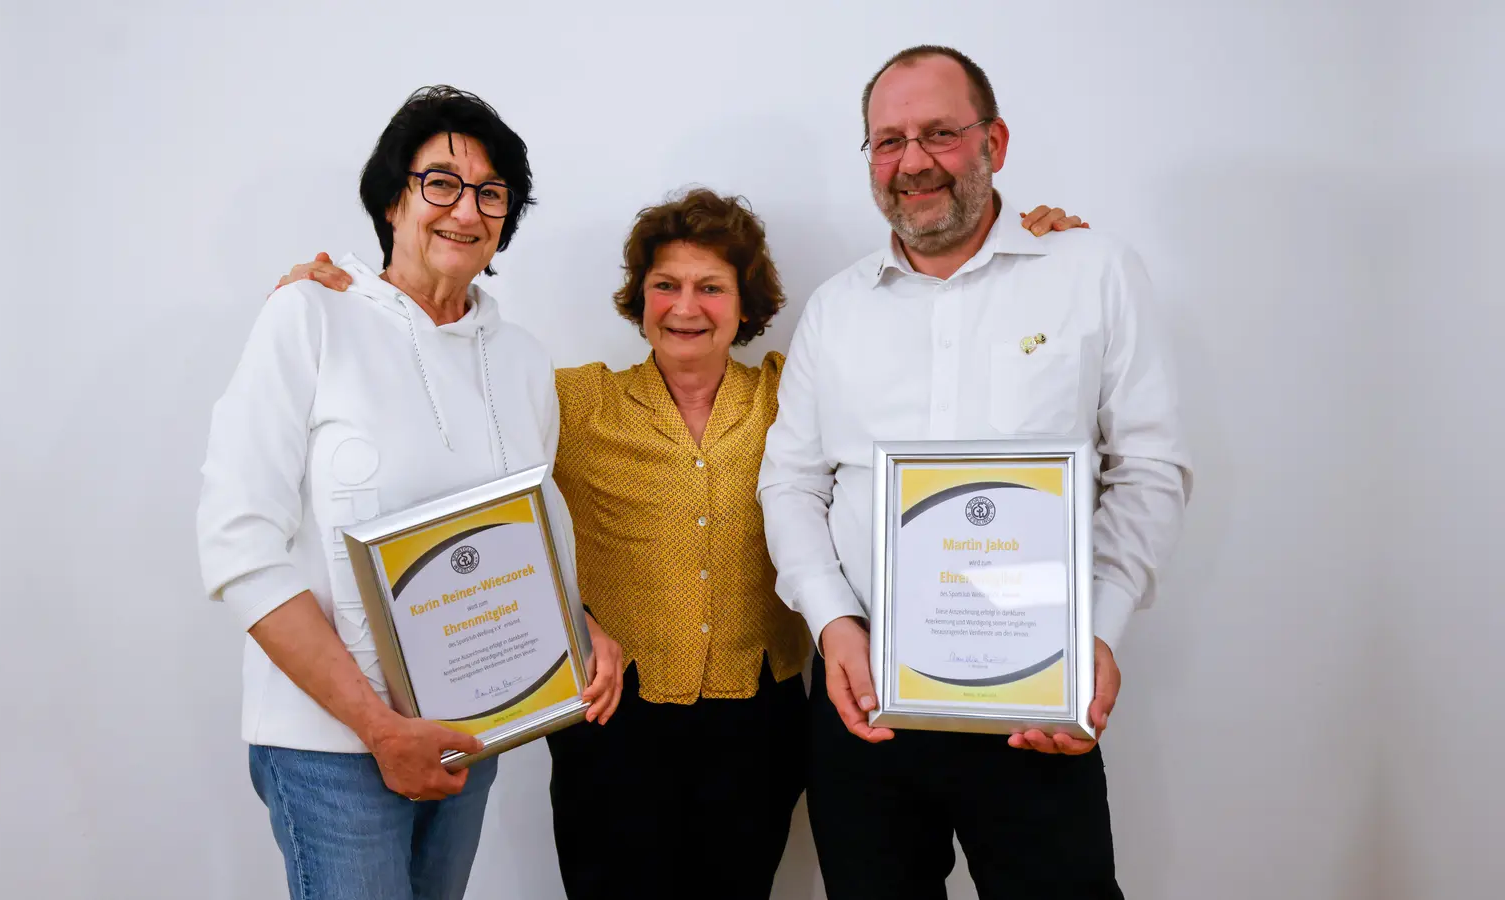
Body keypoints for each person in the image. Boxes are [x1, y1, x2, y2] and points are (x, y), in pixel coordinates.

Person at [276, 187, 1087, 898]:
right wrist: (356, 308)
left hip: (757, 720)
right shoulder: (579, 401)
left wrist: (1026, 254)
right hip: (612, 720)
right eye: (665, 285)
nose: (685, 306)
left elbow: (918, 379)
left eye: (710, 286)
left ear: (745, 301)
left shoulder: (787, 394)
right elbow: (454, 414)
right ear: (640, 299)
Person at [757, 45, 1193, 900]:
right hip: (865, 696)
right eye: (888, 141)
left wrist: (1097, 633)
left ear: (993, 140)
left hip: (1036, 699)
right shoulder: (836, 309)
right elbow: (792, 482)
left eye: (940, 133)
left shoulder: (1093, 271)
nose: (912, 161)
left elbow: (1149, 466)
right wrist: (832, 621)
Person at [195, 85, 622, 900]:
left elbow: (516, 548)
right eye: (441, 182)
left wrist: (583, 632)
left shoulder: (525, 362)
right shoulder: (308, 319)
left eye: (492, 192)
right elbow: (238, 544)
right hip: (328, 745)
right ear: (392, 198)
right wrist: (378, 727)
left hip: (470, 734)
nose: (467, 208)